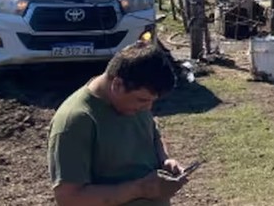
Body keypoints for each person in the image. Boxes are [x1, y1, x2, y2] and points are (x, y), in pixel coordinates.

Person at [48, 41, 186, 206]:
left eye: (151, 101)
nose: (148, 108)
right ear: (117, 84)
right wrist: (140, 189)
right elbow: (69, 198)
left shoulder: (133, 103)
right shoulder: (75, 121)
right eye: (142, 100)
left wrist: (164, 160)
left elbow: (152, 134)